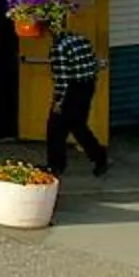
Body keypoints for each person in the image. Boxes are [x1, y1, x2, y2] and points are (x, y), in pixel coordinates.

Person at [46, 20, 110, 177]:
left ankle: (56, 165)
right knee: (78, 126)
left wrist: (59, 102)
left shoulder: (58, 48)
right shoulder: (81, 39)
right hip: (87, 86)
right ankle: (100, 157)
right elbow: (94, 64)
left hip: (72, 90)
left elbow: (62, 79)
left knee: (55, 129)